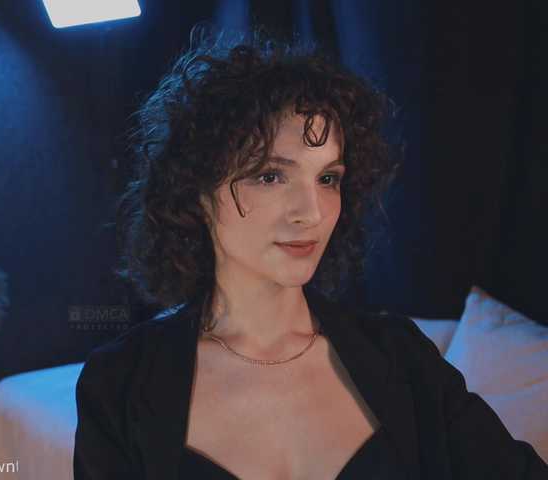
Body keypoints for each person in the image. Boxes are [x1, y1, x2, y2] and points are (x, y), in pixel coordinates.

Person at [73, 26, 548, 479]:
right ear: (196, 189)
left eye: (327, 178)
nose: (312, 211)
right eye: (270, 176)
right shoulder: (120, 385)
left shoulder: (402, 358)